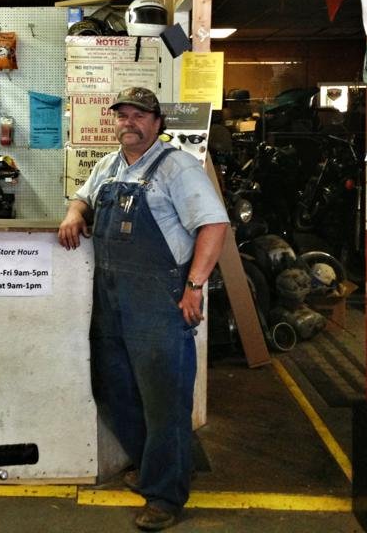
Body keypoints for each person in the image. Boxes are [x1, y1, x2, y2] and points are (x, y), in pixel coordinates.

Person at [58, 87, 228, 531]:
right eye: (122, 115)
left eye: (139, 115)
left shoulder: (178, 167)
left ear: (157, 123)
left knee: (165, 399)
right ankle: (157, 467)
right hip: (112, 300)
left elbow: (214, 225)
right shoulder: (109, 165)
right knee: (113, 388)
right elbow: (84, 195)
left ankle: (166, 495)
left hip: (160, 300)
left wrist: (194, 286)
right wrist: (75, 211)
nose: (128, 122)